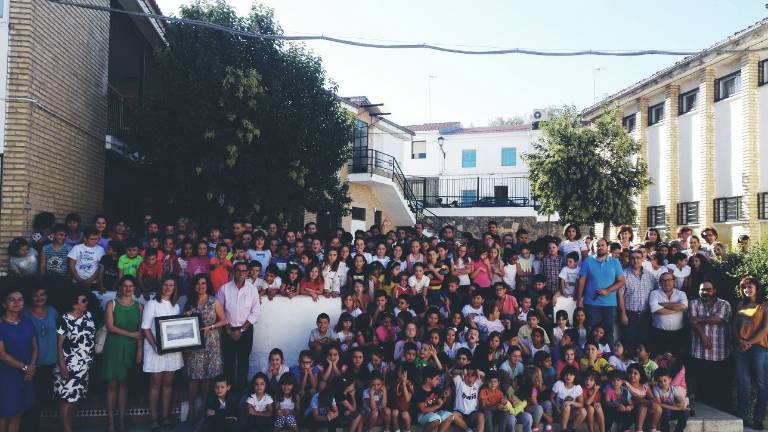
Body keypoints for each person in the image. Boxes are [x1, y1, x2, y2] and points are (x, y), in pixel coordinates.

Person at [141, 276, 184, 430]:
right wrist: (155, 346)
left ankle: (165, 416)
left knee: (168, 384)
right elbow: (145, 328)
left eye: (171, 285)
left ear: (174, 288)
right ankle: (153, 418)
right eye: (165, 285)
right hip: (155, 350)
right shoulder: (152, 304)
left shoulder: (176, 307)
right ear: (161, 286)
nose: (168, 288)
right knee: (155, 384)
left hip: (171, 352)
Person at [184, 274, 227, 423]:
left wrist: (212, 326)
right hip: (194, 344)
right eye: (197, 284)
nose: (200, 286)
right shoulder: (190, 302)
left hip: (211, 343)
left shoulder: (214, 301)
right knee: (194, 378)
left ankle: (203, 410)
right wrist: (186, 315)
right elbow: (185, 322)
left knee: (207, 379)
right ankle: (190, 411)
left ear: (207, 285)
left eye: (203, 283)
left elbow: (224, 320)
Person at [102, 276, 143, 432]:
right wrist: (131, 335)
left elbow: (140, 331)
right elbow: (110, 327)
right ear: (119, 288)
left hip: (131, 349)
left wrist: (139, 350)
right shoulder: (111, 304)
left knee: (124, 385)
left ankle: (121, 420)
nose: (128, 289)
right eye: (125, 286)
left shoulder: (139, 307)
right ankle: (111, 422)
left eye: (131, 286)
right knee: (112, 384)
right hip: (114, 347)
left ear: (134, 288)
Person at [54, 290, 96, 432]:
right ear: (74, 304)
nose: (86, 303)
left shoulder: (88, 316)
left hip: (84, 366)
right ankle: (67, 429)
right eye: (83, 301)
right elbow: (58, 346)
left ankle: (68, 425)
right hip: (69, 366)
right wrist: (62, 366)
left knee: (76, 398)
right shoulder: (64, 319)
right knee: (68, 399)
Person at [217, 260, 261, 394]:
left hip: (245, 331)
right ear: (233, 272)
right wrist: (230, 330)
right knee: (228, 362)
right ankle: (227, 392)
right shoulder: (224, 289)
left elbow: (255, 312)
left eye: (244, 271)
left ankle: (241, 391)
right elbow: (219, 310)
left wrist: (241, 330)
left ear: (247, 273)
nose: (241, 273)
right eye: (238, 270)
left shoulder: (252, 289)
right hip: (227, 329)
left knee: (243, 362)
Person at [688, 280, 731, 413]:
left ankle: (718, 409)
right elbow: (692, 321)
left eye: (708, 289)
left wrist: (699, 319)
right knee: (701, 381)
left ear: (714, 290)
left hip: (719, 351)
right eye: (702, 290)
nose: (705, 292)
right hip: (699, 350)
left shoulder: (724, 304)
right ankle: (704, 408)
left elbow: (718, 318)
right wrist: (703, 336)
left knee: (717, 383)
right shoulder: (693, 303)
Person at [0, 288, 37, 432]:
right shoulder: (1, 325)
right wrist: (25, 367)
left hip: (26, 375)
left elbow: (35, 347)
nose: (16, 302)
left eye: (20, 299)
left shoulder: (27, 322)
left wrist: (32, 366)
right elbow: (2, 354)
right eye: (12, 299)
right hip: (6, 376)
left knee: (18, 412)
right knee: (4, 414)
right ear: (4, 304)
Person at [733, 277, 768, 428]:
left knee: (761, 383)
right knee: (744, 384)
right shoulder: (740, 305)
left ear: (756, 287)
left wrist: (750, 342)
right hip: (741, 348)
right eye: (744, 287)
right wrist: (740, 341)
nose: (747, 289)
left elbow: (765, 329)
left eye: (750, 286)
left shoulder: (765, 305)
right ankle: (744, 416)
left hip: (759, 347)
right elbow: (734, 326)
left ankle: (759, 418)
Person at [576, 238, 624, 345]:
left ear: (607, 247)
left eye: (602, 245)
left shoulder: (615, 262)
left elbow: (621, 281)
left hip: (610, 304)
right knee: (592, 332)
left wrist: (608, 290)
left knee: (609, 332)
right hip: (591, 303)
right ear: (593, 248)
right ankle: (593, 357)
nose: (600, 247)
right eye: (597, 245)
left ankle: (609, 357)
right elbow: (582, 281)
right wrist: (579, 300)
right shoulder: (588, 261)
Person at [618, 249, 655, 351]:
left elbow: (654, 294)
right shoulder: (623, 275)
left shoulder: (650, 276)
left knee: (644, 343)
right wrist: (623, 314)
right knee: (630, 342)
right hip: (630, 314)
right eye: (633, 258)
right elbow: (620, 295)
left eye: (638, 258)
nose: (636, 260)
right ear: (629, 259)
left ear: (643, 259)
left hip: (646, 315)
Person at [649, 273, 688, 357]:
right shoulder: (654, 293)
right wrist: (676, 309)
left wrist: (663, 305)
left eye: (669, 280)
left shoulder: (681, 294)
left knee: (677, 358)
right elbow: (655, 309)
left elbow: (684, 307)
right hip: (659, 333)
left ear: (673, 281)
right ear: (660, 282)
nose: (667, 282)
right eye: (664, 280)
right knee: (659, 358)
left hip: (678, 334)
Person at [413, 366, 454, 432]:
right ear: (428, 379)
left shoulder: (435, 389)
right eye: (436, 379)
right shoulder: (419, 391)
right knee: (436, 419)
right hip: (422, 416)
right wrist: (437, 406)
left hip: (434, 413)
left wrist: (445, 396)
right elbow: (423, 410)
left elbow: (442, 402)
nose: (438, 381)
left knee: (449, 416)